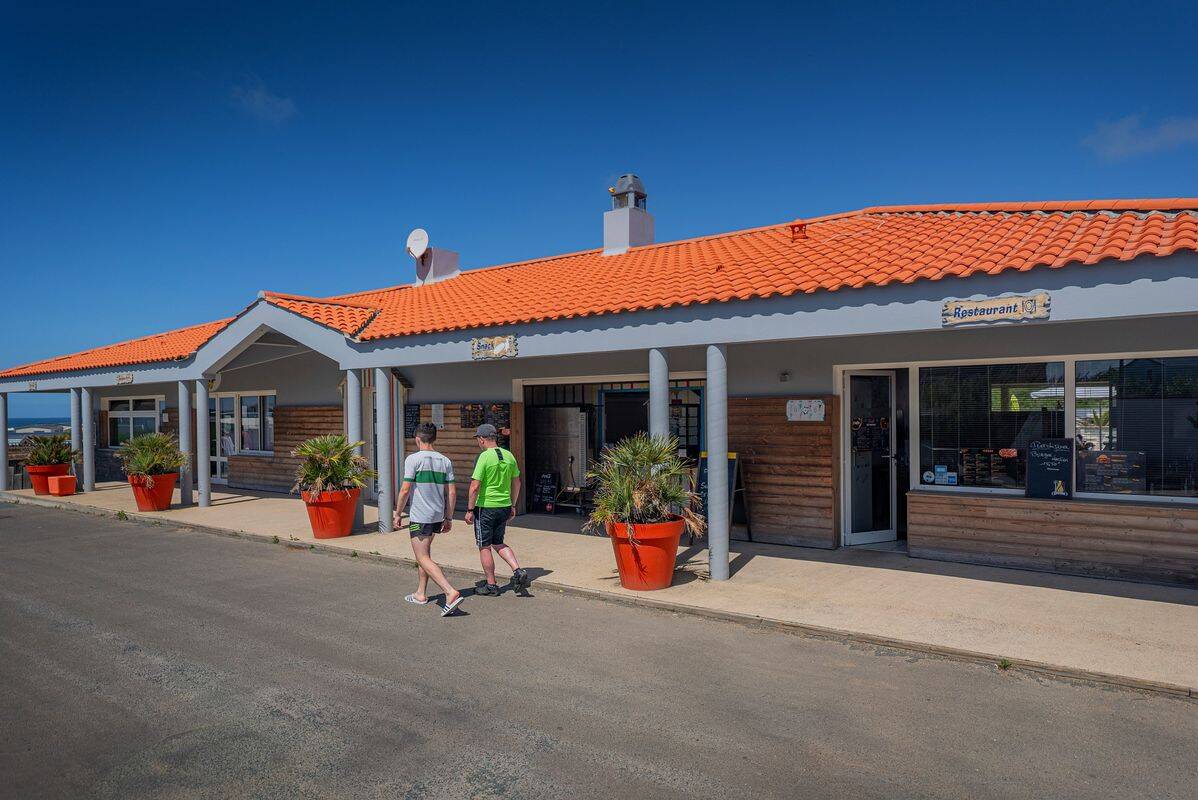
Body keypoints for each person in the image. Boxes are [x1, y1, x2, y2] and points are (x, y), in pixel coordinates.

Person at [393, 422, 464, 616]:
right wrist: (449, 517)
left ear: (417, 439)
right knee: (425, 555)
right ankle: (420, 594)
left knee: (421, 557)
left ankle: (450, 592)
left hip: (420, 516)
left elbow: (405, 489)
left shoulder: (413, 459)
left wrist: (398, 513)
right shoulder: (445, 461)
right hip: (437, 515)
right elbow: (451, 491)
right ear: (434, 438)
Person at [465, 423, 530, 595]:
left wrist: (470, 510)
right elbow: (517, 482)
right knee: (498, 542)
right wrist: (513, 505)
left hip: (485, 507)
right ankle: (517, 570)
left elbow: (474, 486)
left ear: (481, 439)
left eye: (478, 440)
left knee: (484, 546)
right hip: (504, 506)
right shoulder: (509, 456)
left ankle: (491, 585)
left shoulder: (484, 457)